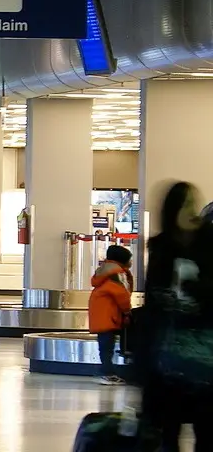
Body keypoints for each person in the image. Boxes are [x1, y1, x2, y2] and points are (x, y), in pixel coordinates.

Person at [139, 181, 213, 452]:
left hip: (206, 361)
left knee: (206, 433)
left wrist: (198, 288)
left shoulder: (209, 246)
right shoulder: (161, 250)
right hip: (167, 364)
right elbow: (151, 308)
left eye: (194, 204)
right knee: (165, 436)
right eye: (186, 205)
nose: (192, 211)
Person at [88, 244, 133, 385]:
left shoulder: (106, 272)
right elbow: (122, 294)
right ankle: (107, 373)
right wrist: (127, 311)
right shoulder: (117, 274)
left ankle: (108, 372)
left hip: (102, 314)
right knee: (107, 347)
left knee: (105, 346)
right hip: (109, 315)